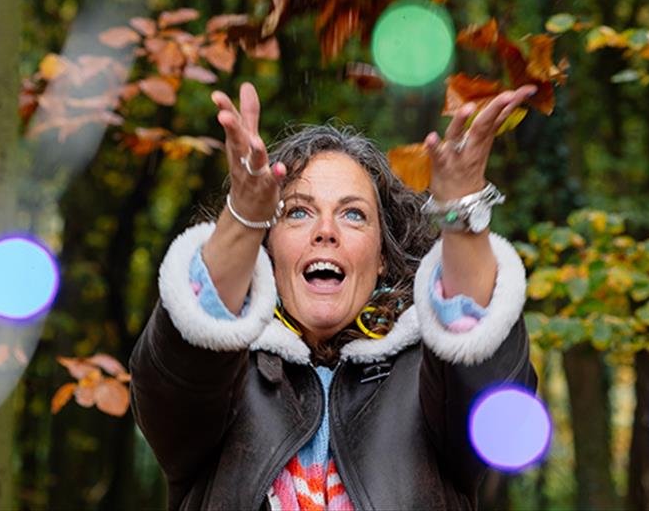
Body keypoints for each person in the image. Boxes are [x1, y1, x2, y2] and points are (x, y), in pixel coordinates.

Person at [130, 82, 538, 510]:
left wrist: (460, 215)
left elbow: (492, 395)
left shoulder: (426, 381)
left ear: (382, 255)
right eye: (299, 212)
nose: (326, 231)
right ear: (268, 248)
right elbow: (176, 374)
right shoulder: (222, 379)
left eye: (353, 214)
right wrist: (245, 218)